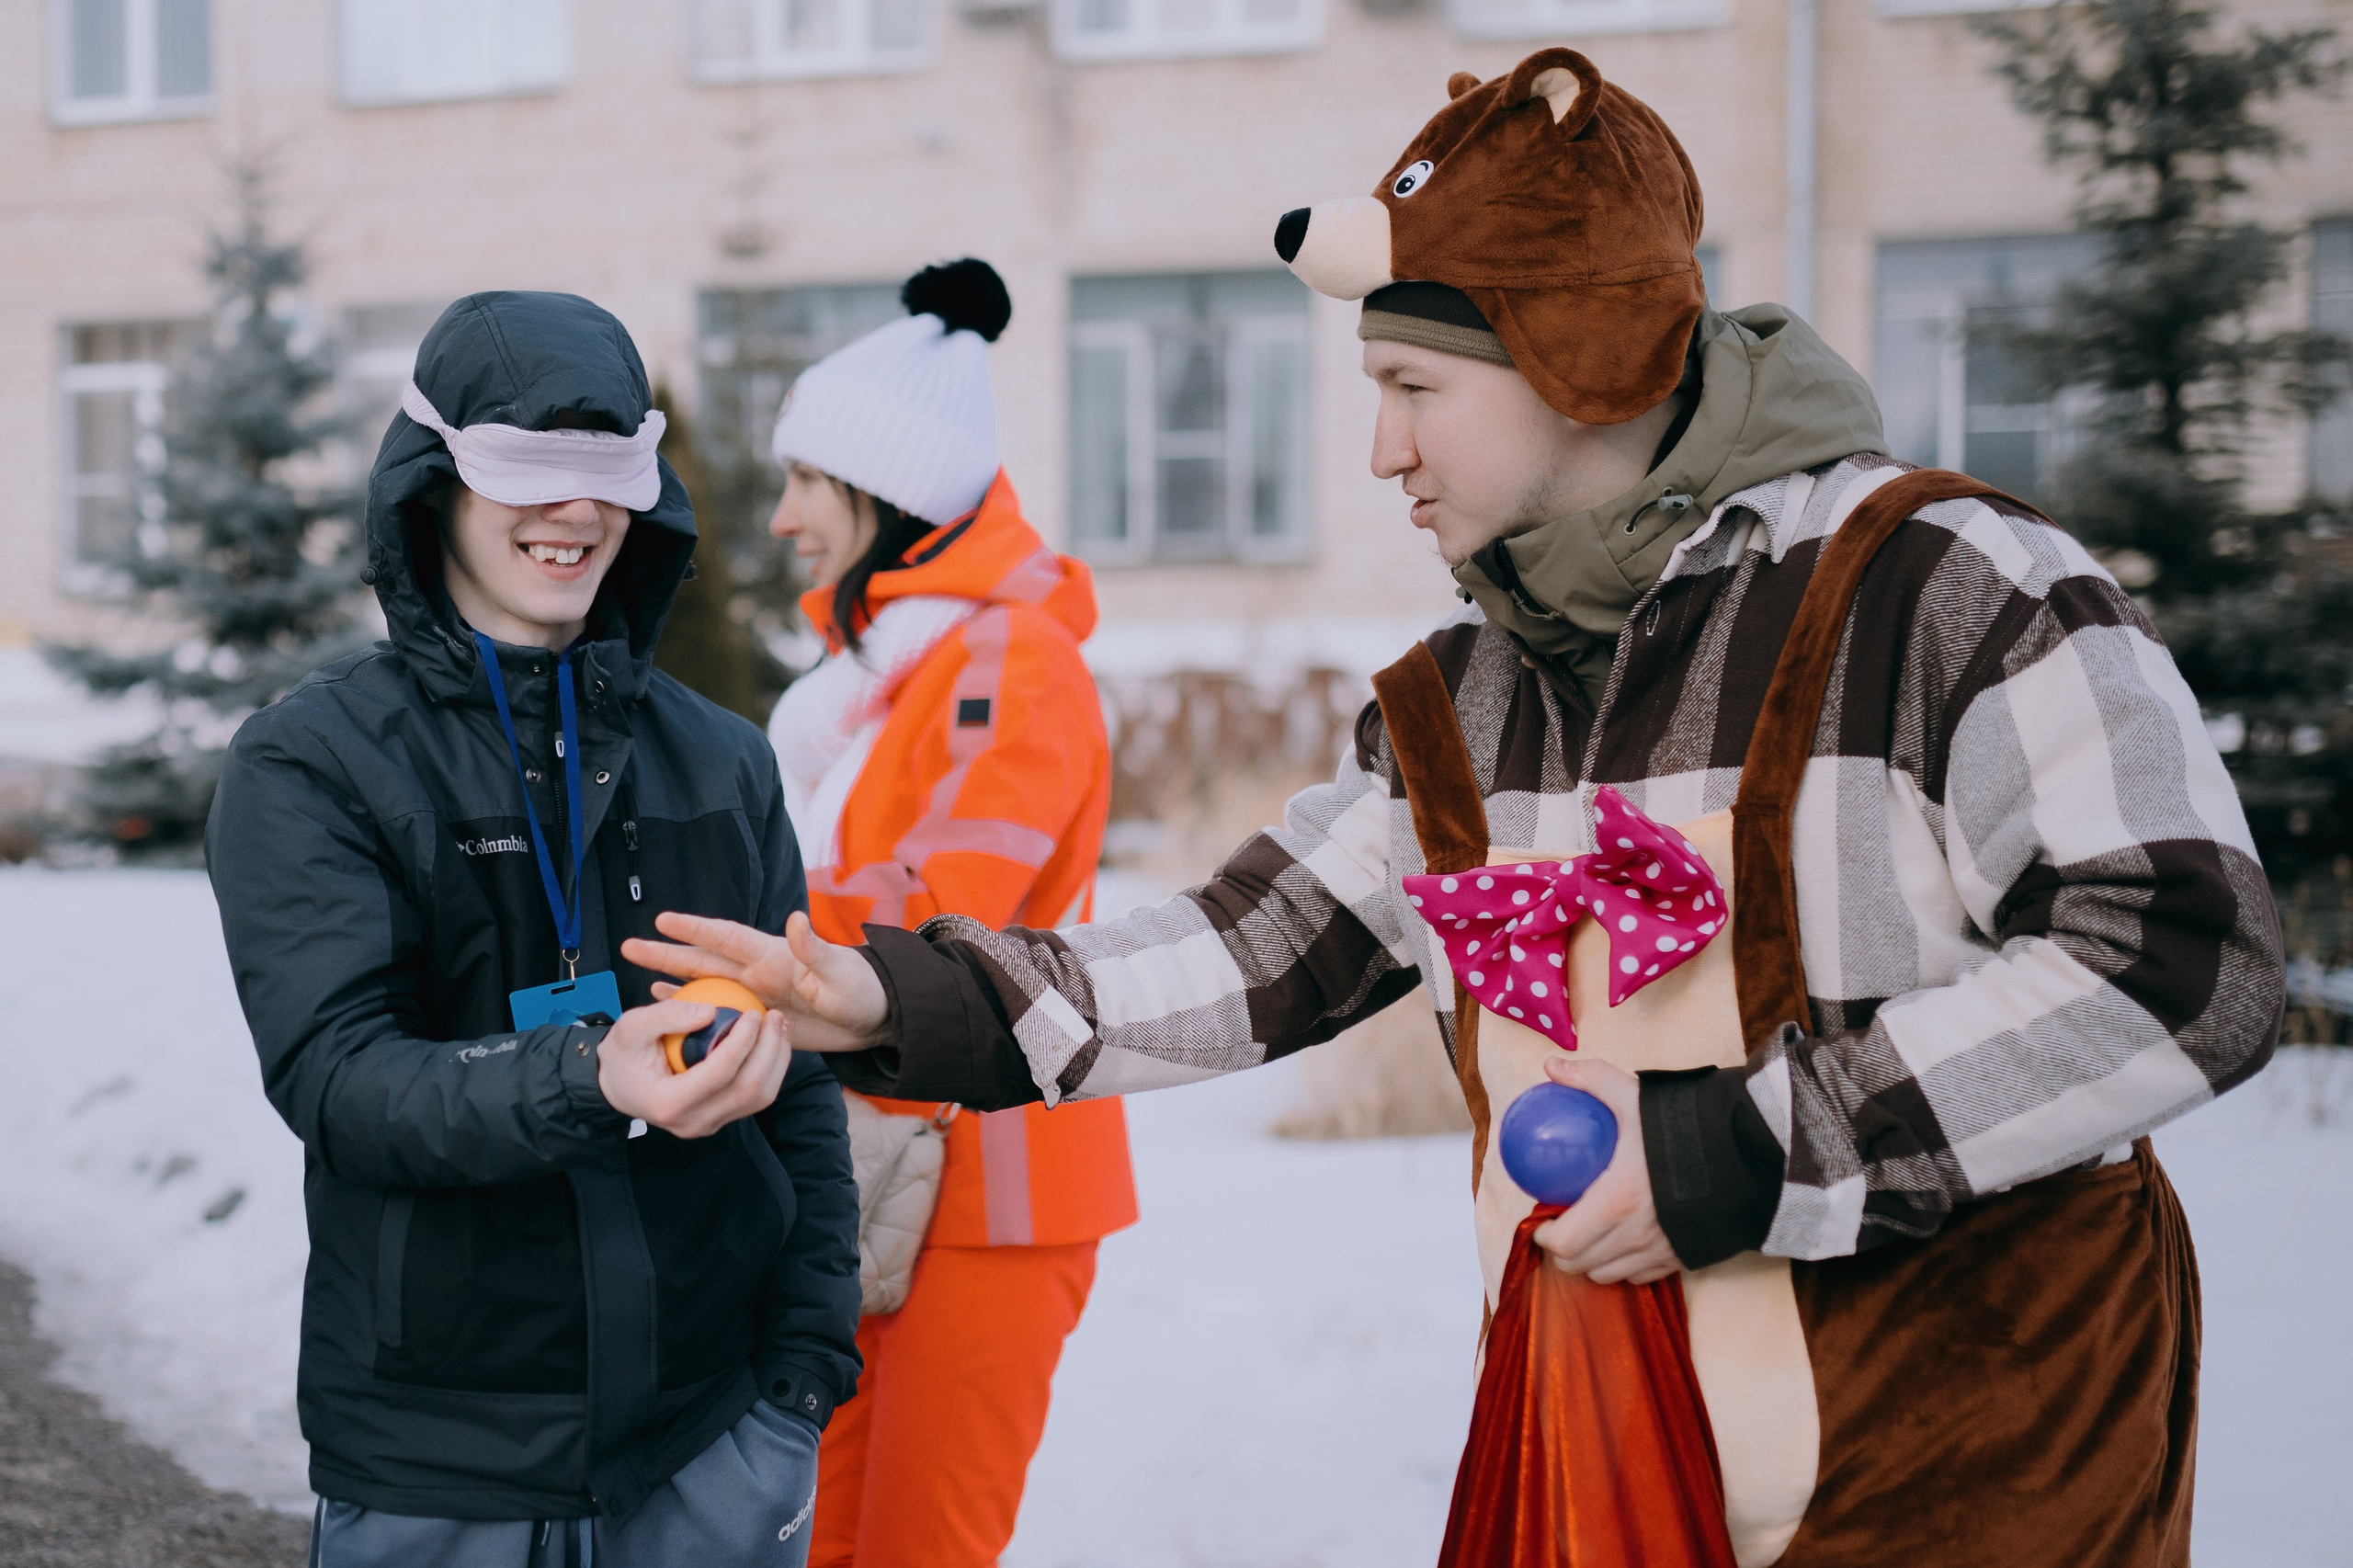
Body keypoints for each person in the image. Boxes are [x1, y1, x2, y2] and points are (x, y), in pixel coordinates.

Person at [626, 51, 2281, 1568]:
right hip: (1603, 1466)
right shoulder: (1465, 697)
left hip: (1969, 1472)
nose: (1381, 451)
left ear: (1580, 358)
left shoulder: (1942, 586)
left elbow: (2185, 963)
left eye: (1416, 386)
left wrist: (1742, 1146)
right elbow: (1252, 947)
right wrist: (893, 993)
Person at [205, 290, 860, 1566]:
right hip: (438, 1462)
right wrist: (588, 1076)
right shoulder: (314, 761)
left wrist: (798, 1377)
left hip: (712, 1444)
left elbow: (801, 1082)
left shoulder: (723, 759)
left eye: (606, 471)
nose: (574, 510)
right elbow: (340, 1079)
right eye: (525, 468)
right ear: (435, 480)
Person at [756, 258, 1137, 1568]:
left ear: (885, 490)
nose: (782, 518)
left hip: (994, 1188)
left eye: (806, 481)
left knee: (918, 1546)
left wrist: (740, 920)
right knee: (825, 1541)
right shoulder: (897, 677)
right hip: (885, 1165)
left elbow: (939, 915)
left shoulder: (1009, 663)